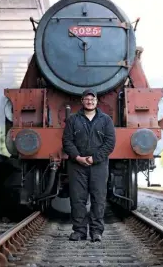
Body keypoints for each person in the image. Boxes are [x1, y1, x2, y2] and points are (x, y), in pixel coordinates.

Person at [62, 89, 116, 242]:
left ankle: (96, 232)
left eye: (92, 99)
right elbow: (67, 141)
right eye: (87, 99)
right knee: (77, 199)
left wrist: (94, 158)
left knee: (98, 198)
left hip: (98, 165)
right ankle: (79, 231)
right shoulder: (72, 120)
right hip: (76, 165)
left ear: (96, 101)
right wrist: (77, 157)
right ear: (82, 101)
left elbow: (110, 143)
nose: (90, 101)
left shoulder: (106, 120)